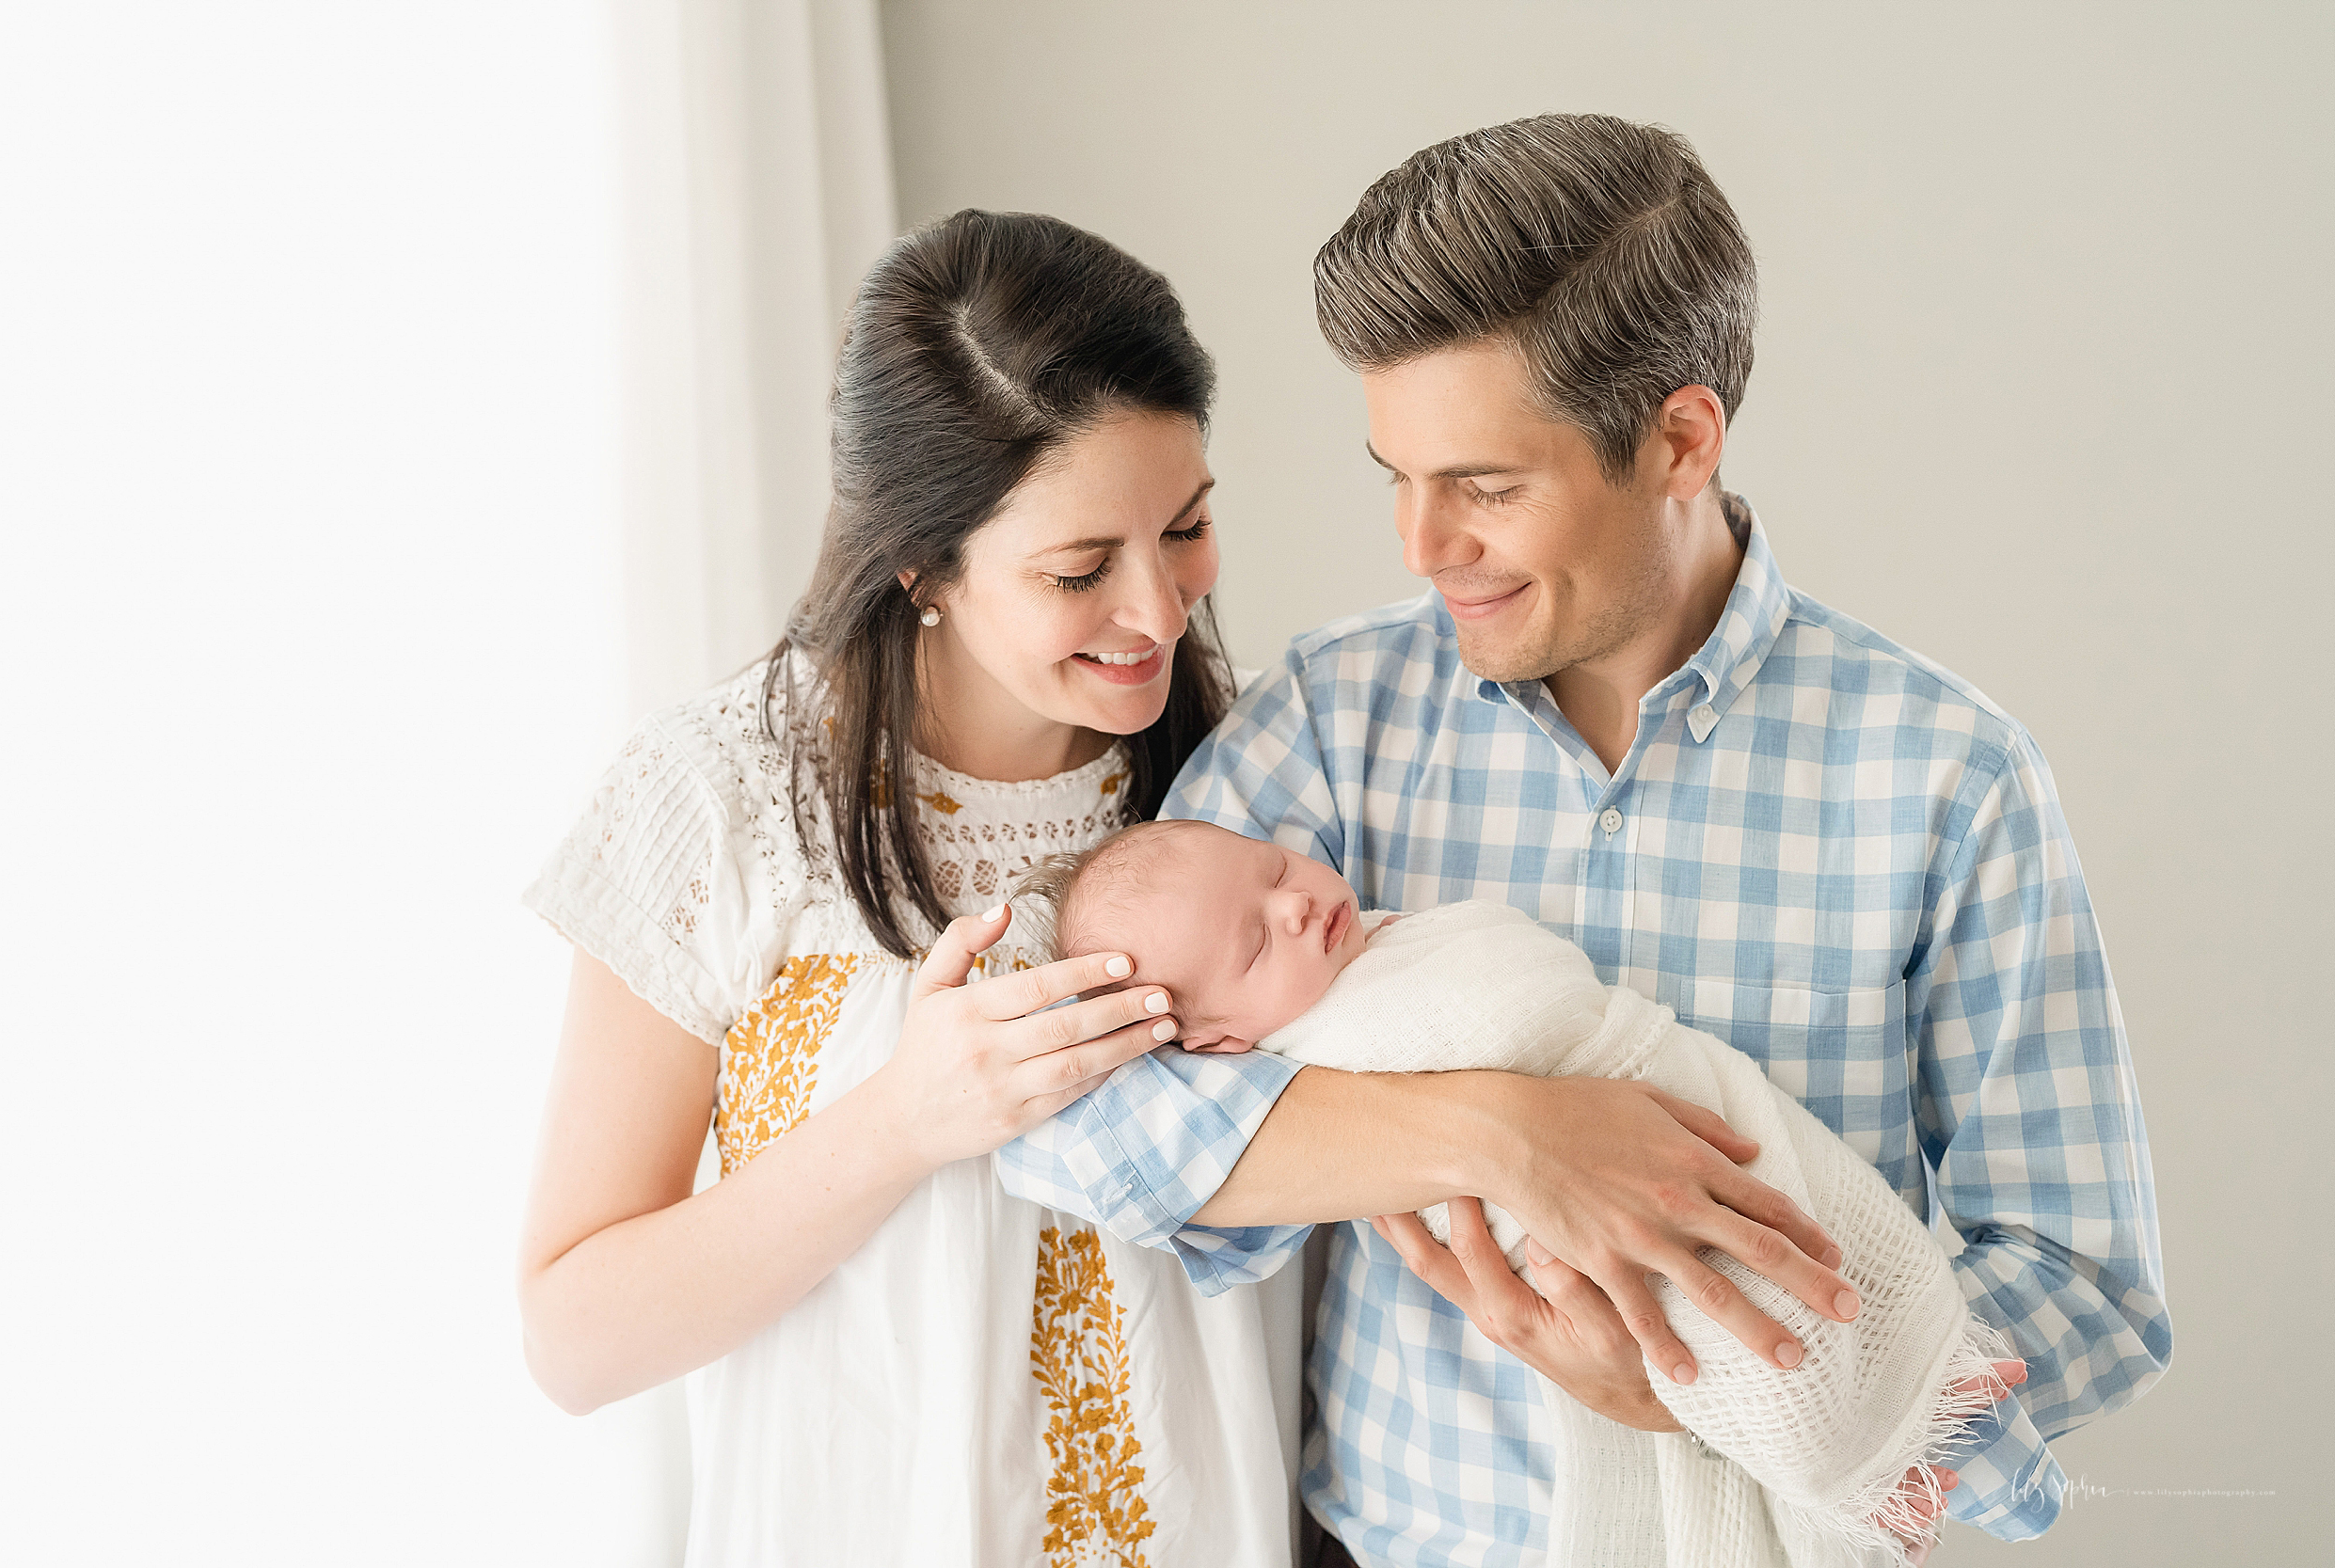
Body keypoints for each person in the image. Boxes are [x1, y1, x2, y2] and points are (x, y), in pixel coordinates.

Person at [1001, 114, 2169, 1566]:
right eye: (1397, 478)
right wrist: (1514, 1136)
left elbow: (2083, 1285)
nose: (1423, 548)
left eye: (1486, 487)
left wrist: (1730, 1390)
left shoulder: (1948, 780)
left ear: (1681, 440)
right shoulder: (1336, 719)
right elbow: (1081, 1109)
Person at [516, 210, 1316, 1565]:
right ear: (919, 565)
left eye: (1184, 526)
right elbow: (575, 1337)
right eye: (1078, 570)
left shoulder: (1249, 776)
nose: (1161, 614)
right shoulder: (722, 795)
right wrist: (902, 1117)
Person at [1025, 816, 2026, 1563]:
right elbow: (1075, 1131)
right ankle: (1842, 1461)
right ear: (1211, 1040)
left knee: (1803, 1246)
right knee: (1743, 1333)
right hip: (1409, 1520)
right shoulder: (1313, 1044)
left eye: (1277, 867)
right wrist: (1510, 1131)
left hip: (1699, 1117)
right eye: (1254, 942)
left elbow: (1526, 979)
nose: (1295, 903)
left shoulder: (1385, 941)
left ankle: (1916, 1403)